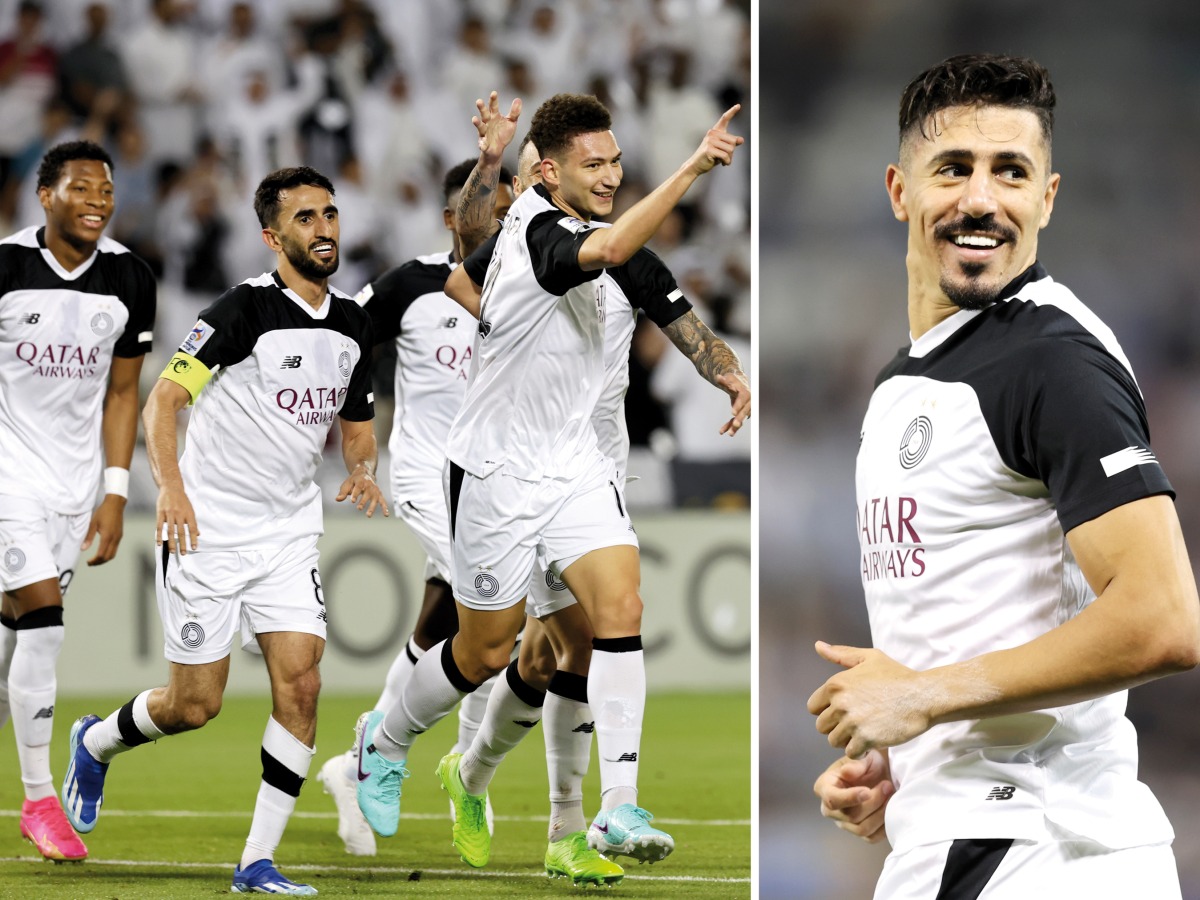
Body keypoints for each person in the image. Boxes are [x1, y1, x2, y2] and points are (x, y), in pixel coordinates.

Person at [807, 54, 1200, 899]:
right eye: (953, 168)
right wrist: (903, 757)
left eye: (1010, 172)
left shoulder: (1052, 361)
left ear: (1046, 199)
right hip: (973, 835)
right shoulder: (911, 377)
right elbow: (978, 622)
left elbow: (1165, 618)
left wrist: (924, 698)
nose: (981, 200)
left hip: (1035, 848)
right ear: (898, 190)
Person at [352, 90, 744, 871]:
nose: (609, 176)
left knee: (617, 613)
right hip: (495, 470)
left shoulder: (613, 238)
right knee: (486, 651)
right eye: (593, 166)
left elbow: (676, 313)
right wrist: (693, 168)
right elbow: (562, 251)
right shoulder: (534, 232)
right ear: (552, 171)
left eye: (616, 163)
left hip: (577, 466)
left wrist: (729, 375)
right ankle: (385, 738)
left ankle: (614, 809)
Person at [60, 166, 387, 895]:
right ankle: (96, 740)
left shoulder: (355, 324)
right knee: (194, 705)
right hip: (206, 528)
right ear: (273, 237)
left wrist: (363, 469)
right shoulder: (241, 313)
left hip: (287, 531)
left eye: (329, 213)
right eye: (305, 218)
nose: (324, 227)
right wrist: (170, 490)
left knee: (301, 686)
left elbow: (356, 429)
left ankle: (256, 862)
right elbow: (164, 401)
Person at [314, 156, 514, 857]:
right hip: (428, 473)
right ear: (452, 217)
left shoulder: (531, 286)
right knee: (494, 612)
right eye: (485, 205)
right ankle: (457, 770)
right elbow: (343, 345)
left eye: (507, 205)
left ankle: (360, 756)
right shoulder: (410, 284)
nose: (497, 217)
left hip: (501, 482)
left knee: (444, 626)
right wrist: (358, 448)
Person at [0, 139, 155, 862]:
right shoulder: (5, 266)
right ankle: (38, 802)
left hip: (74, 485)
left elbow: (124, 392)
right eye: (82, 188)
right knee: (46, 626)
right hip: (7, 478)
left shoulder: (130, 278)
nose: (98, 200)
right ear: (46, 196)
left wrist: (116, 490)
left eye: (106, 190)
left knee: (16, 635)